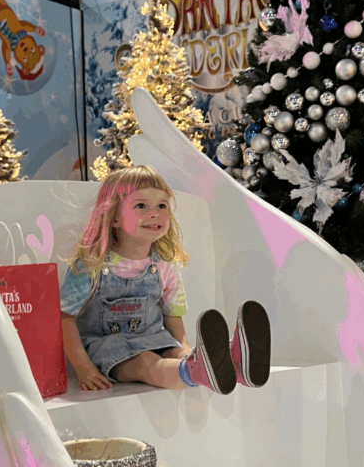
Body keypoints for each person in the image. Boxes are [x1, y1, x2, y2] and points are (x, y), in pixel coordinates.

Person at [59, 165, 271, 394]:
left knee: (175, 354)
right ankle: (198, 371)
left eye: (162, 205)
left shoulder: (163, 265)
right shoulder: (92, 265)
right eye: (141, 205)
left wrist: (185, 349)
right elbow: (64, 319)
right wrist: (84, 368)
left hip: (155, 339)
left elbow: (172, 315)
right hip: (109, 349)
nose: (155, 213)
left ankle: (232, 364)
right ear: (114, 217)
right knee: (146, 363)